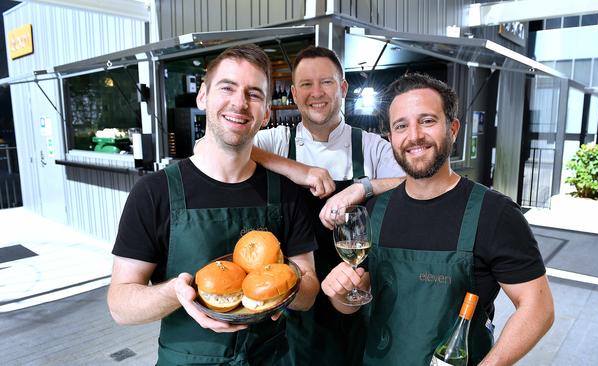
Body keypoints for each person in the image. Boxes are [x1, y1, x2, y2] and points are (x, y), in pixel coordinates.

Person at [107, 44, 320, 366]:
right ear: (203, 96)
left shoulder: (286, 193)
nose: (239, 102)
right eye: (227, 88)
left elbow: (308, 294)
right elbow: (120, 305)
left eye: (254, 94)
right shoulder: (154, 192)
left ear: (265, 113)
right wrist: (177, 292)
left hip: (270, 358)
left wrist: (284, 290)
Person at [321, 73, 554, 366]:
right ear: (390, 138)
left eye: (427, 121)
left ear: (452, 129)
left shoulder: (495, 213)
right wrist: (338, 295)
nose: (414, 135)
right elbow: (353, 304)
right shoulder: (374, 210)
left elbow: (538, 307)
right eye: (401, 126)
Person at [250, 46, 405, 365]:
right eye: (306, 84)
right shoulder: (278, 142)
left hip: (356, 297)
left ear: (344, 88)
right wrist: (299, 170)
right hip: (293, 303)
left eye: (327, 82)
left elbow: (419, 183)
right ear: (293, 93)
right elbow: (210, 145)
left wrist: (362, 188)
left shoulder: (371, 146)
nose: (316, 92)